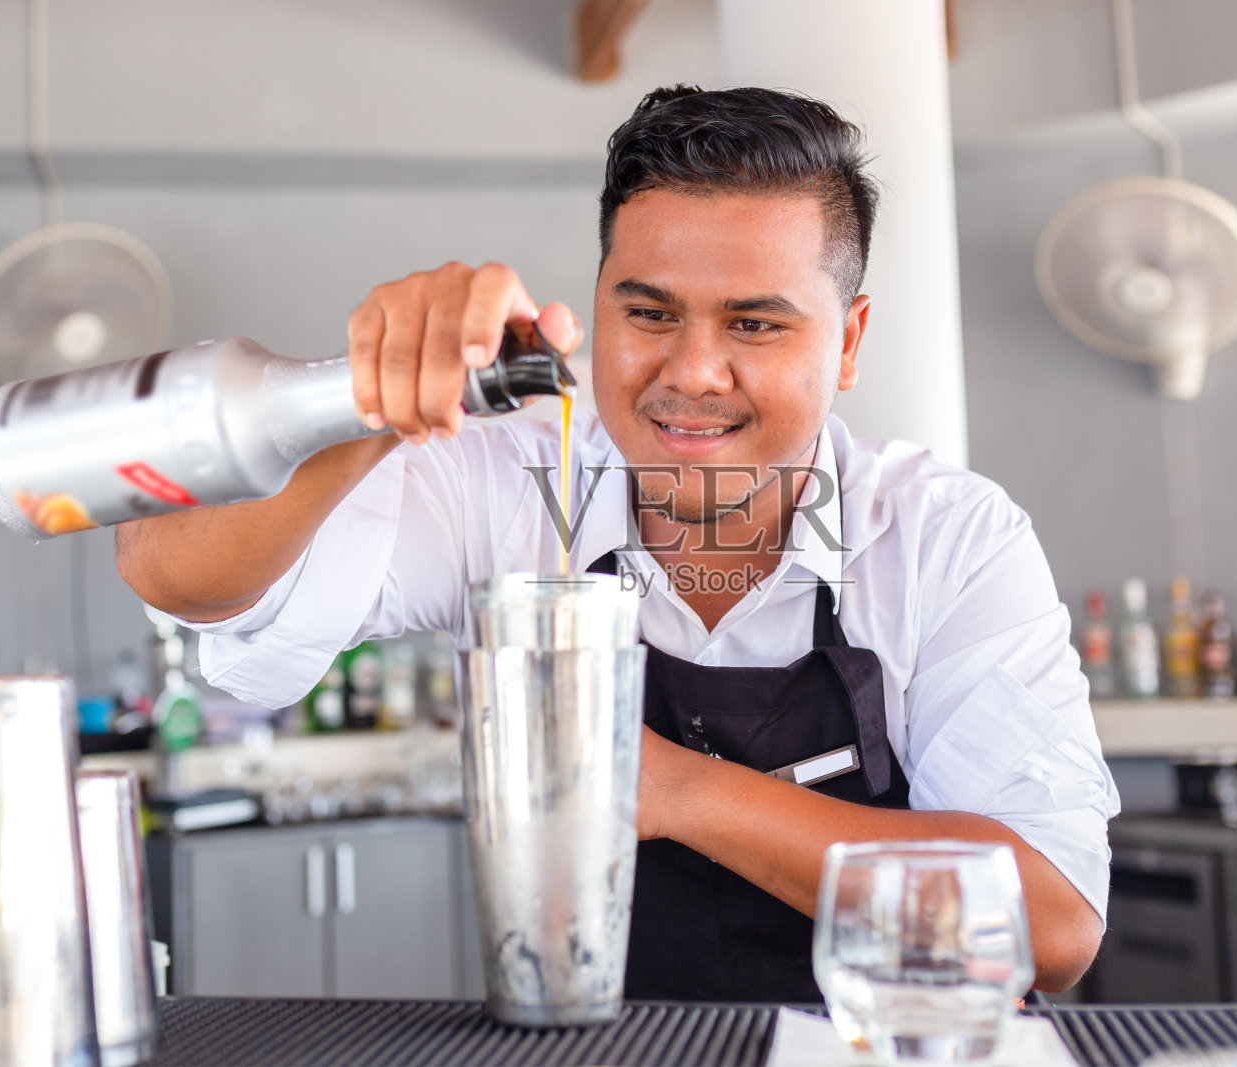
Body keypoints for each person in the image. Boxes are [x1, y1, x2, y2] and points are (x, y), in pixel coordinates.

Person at [117, 85, 1119, 1001]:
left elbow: (1049, 921)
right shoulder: (512, 479)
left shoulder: (944, 536)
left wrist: (670, 785)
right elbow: (173, 568)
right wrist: (365, 397)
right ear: (597, 306)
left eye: (755, 325)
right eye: (647, 313)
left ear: (847, 341)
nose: (691, 372)